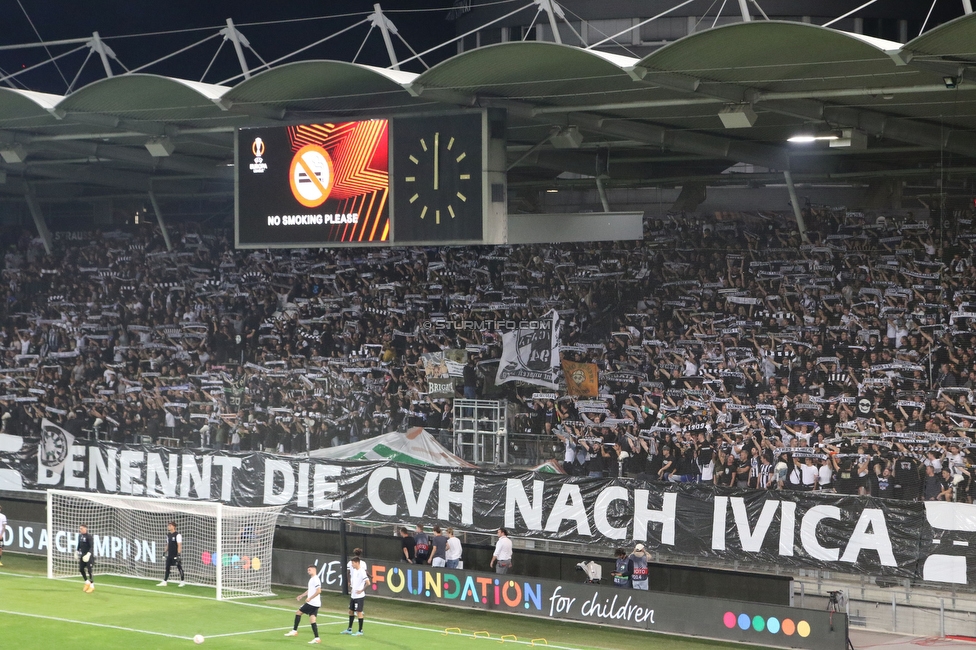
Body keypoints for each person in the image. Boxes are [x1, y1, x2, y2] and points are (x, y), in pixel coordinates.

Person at [285, 565, 322, 644]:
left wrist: (310, 598)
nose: (308, 571)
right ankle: (317, 638)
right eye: (307, 570)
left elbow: (319, 591)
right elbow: (310, 590)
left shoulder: (315, 579)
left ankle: (294, 631)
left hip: (312, 603)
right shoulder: (312, 579)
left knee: (298, 612)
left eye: (309, 570)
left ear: (314, 570)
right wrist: (302, 595)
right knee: (312, 620)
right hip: (316, 604)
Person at [340, 556, 370, 637]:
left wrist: (361, 590)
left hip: (359, 596)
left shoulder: (362, 571)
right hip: (353, 595)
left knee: (359, 612)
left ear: (357, 563)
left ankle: (360, 630)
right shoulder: (355, 571)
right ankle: (349, 629)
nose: (352, 564)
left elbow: (368, 583)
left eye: (353, 563)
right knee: (350, 611)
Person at [157, 522, 185, 587]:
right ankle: (165, 581)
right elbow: (167, 545)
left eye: (170, 525)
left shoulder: (178, 535)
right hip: (170, 554)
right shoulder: (168, 535)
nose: (168, 527)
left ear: (174, 527)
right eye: (168, 525)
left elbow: (179, 545)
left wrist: (178, 554)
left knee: (179, 567)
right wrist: (164, 552)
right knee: (167, 567)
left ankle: (182, 581)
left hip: (175, 554)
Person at [78, 524, 95, 593]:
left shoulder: (89, 537)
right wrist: (77, 550)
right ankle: (87, 582)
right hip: (83, 555)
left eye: (81, 528)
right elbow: (79, 544)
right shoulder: (80, 536)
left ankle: (92, 586)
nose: (80, 530)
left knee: (89, 570)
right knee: (81, 569)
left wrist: (89, 554)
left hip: (89, 556)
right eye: (80, 528)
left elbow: (91, 546)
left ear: (85, 529)